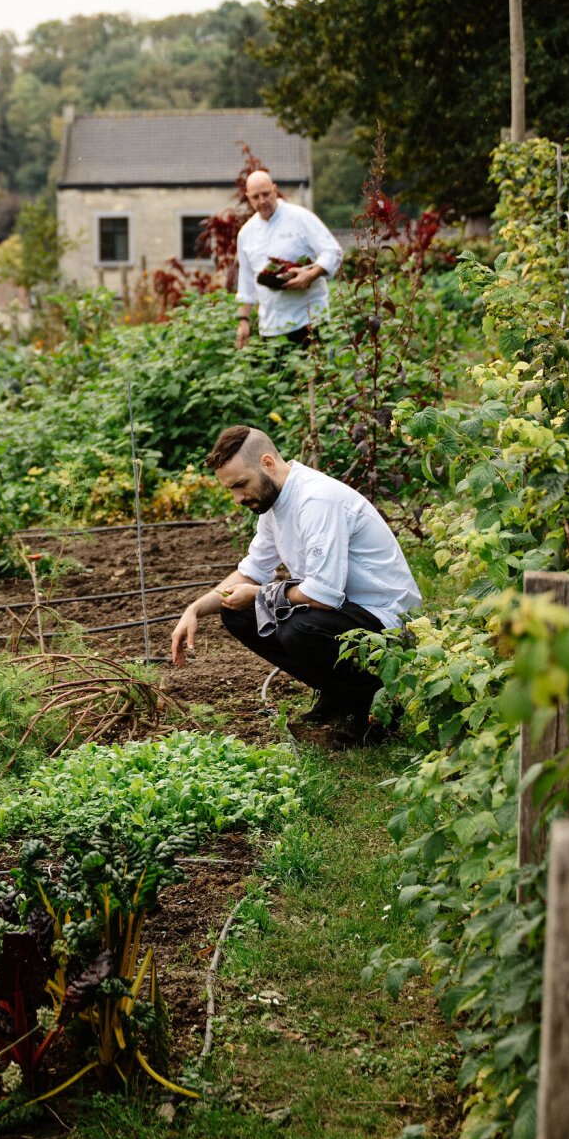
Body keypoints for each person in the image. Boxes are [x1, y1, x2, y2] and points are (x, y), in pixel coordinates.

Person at [169, 424, 421, 741]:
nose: (236, 498)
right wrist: (194, 609)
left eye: (241, 485)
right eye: (230, 489)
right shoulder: (273, 507)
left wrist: (261, 594)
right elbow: (250, 572)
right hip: (347, 610)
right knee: (237, 612)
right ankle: (338, 691)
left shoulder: (317, 500)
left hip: (387, 618)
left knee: (300, 630)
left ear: (267, 464)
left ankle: (376, 708)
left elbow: (323, 595)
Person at [234, 170, 343, 351]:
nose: (262, 201)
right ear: (248, 198)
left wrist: (310, 275)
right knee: (279, 378)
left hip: (309, 322)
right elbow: (246, 285)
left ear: (275, 190)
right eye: (255, 197)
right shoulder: (246, 234)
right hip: (271, 329)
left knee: (314, 378)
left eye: (266, 194)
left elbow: (333, 252)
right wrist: (243, 321)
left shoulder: (300, 218)